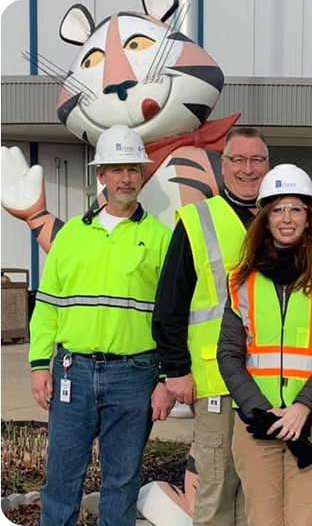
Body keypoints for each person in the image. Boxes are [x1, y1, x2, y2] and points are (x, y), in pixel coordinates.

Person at [29, 124, 174, 526]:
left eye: (133, 169)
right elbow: (48, 304)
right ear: (101, 176)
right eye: (116, 169)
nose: (125, 178)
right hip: (74, 371)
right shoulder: (72, 235)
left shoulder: (161, 239)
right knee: (60, 480)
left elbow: (172, 318)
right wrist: (41, 365)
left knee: (122, 482)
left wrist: (166, 376)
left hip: (136, 376)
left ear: (143, 175)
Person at [217, 163, 312, 526]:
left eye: (296, 208)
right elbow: (228, 353)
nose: (287, 218)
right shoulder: (240, 279)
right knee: (261, 519)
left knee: (303, 520)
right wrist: (259, 409)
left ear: (309, 217)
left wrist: (301, 409)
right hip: (256, 424)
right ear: (265, 217)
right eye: (277, 209)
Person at [152, 127, 270, 526]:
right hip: (214, 380)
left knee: (256, 492)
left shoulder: (284, 217)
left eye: (257, 160)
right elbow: (170, 304)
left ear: (267, 166)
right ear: (224, 166)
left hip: (269, 381)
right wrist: (176, 370)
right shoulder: (198, 219)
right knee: (217, 488)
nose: (248, 169)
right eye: (238, 159)